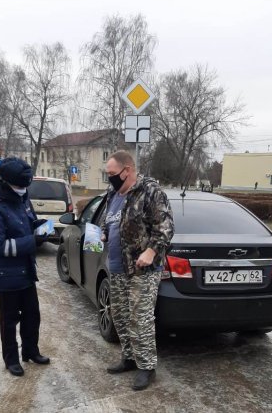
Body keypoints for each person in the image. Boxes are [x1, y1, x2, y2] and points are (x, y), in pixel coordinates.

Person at [101, 150, 174, 391]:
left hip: (142, 270)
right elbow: (109, 219)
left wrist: (151, 251)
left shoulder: (151, 192)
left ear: (127, 170)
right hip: (117, 267)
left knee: (140, 318)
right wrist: (104, 232)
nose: (109, 178)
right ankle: (129, 359)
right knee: (120, 316)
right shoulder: (114, 193)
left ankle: (147, 367)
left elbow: (165, 228)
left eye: (112, 173)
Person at [0, 157, 50, 377]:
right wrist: (31, 242)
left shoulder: (23, 198)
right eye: (20, 185)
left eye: (26, 185)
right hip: (6, 276)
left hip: (26, 271)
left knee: (32, 316)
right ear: (6, 182)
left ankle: (30, 351)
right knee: (9, 321)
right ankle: (11, 359)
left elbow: (28, 222)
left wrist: (42, 227)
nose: (24, 189)